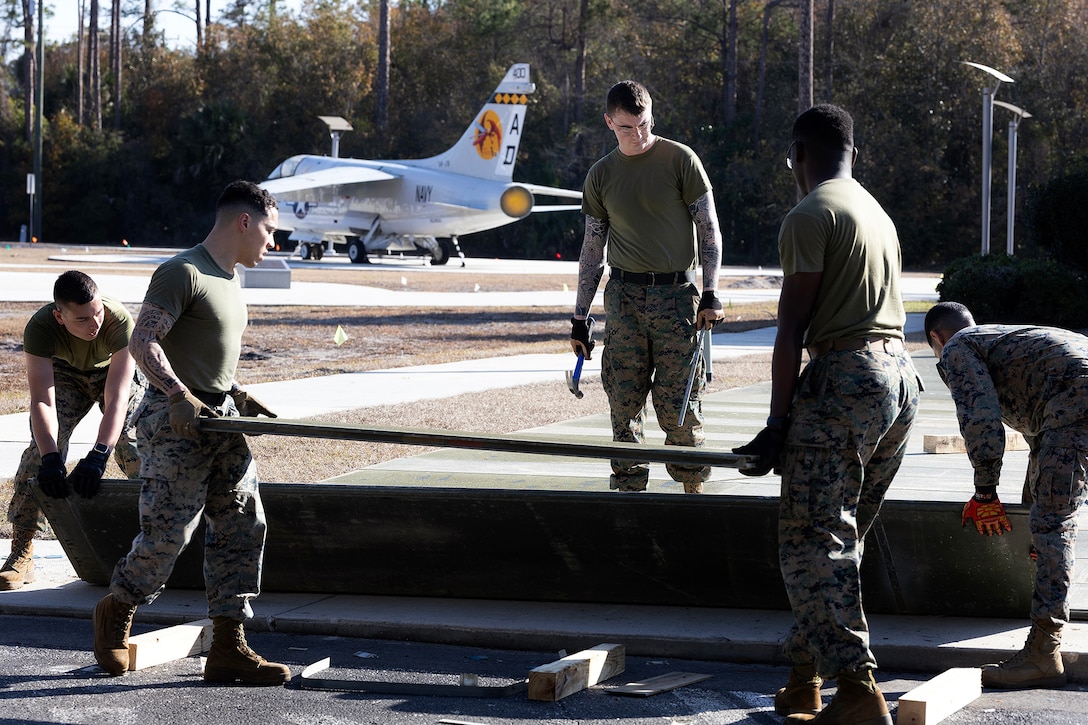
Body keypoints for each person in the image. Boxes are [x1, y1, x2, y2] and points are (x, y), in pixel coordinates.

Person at [732, 104, 920, 725]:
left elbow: (791, 327)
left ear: (797, 155)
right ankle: (804, 677)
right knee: (842, 537)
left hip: (845, 380)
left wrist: (778, 423)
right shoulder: (877, 211)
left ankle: (858, 689)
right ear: (853, 154)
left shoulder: (810, 214)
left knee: (811, 541)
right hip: (899, 379)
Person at [92, 180, 287, 685]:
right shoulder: (183, 271)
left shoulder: (230, 279)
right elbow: (143, 342)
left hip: (219, 420)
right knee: (168, 535)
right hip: (176, 422)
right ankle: (117, 609)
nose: (273, 242)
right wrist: (179, 396)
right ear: (244, 221)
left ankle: (228, 645)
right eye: (270, 230)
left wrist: (238, 392)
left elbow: (201, 356)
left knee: (243, 526)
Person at [569, 79, 725, 495]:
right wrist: (579, 318)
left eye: (644, 124)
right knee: (623, 400)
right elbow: (591, 250)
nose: (637, 135)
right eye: (626, 128)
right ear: (608, 122)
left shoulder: (681, 160)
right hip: (624, 299)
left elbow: (708, 229)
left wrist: (711, 293)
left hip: (677, 298)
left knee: (680, 405)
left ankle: (693, 490)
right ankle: (629, 490)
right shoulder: (600, 175)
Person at [924, 300, 1087, 690]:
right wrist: (1029, 503)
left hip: (1076, 400)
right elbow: (1039, 436)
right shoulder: (1002, 340)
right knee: (1048, 518)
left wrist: (984, 494)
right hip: (1073, 399)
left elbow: (980, 419)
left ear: (936, 338)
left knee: (1054, 524)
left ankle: (1043, 653)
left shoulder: (959, 347)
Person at [1, 270, 145, 591]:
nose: (94, 324)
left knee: (134, 446)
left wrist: (98, 456)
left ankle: (157, 540)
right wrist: (52, 457)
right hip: (65, 372)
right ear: (59, 317)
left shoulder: (118, 321)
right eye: (82, 319)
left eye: (97, 312)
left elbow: (118, 399)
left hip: (112, 373)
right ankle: (21, 551)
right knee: (38, 456)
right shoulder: (40, 329)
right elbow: (42, 401)